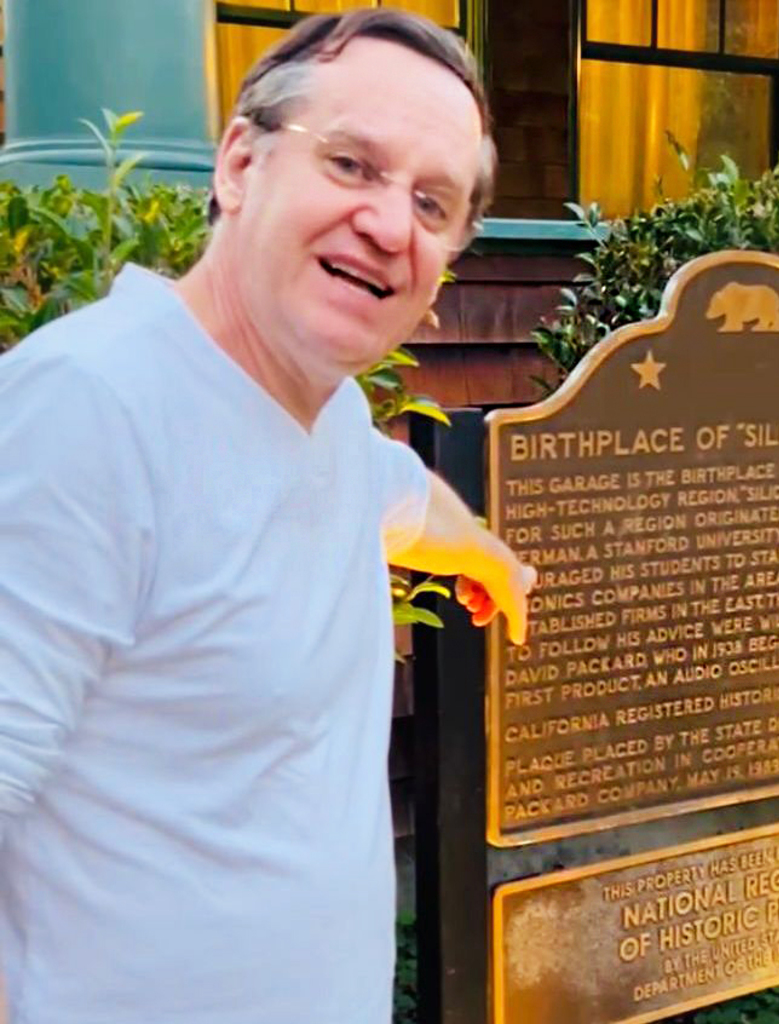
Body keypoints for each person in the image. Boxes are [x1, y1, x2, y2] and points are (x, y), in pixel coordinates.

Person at [0, 9, 532, 1024]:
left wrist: (490, 557)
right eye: (351, 164)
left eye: (433, 202)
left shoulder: (319, 415)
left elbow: (401, 501)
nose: (389, 224)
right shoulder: (87, 413)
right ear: (240, 163)